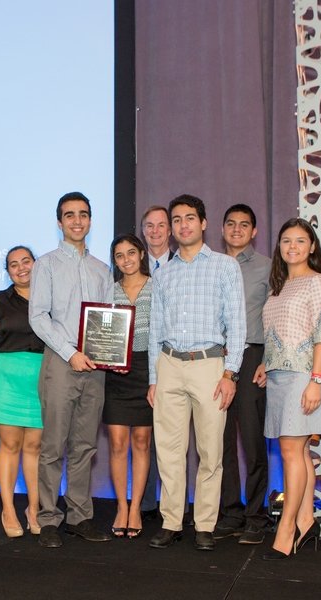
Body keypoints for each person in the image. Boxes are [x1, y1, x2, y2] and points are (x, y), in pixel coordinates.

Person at [147, 194, 246, 552]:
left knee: (211, 452)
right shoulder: (164, 273)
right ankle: (171, 522)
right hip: (169, 365)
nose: (183, 225)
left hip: (210, 366)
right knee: (169, 453)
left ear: (203, 223)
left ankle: (205, 524)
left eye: (190, 218)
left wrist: (230, 373)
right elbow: (155, 331)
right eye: (176, 220)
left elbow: (237, 324)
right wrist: (154, 379)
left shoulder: (223, 266)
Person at [29, 192, 113, 548]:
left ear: (90, 221)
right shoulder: (45, 264)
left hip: (96, 368)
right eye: (69, 215)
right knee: (53, 446)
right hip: (61, 364)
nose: (77, 221)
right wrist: (70, 352)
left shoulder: (102, 269)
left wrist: (108, 353)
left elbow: (108, 319)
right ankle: (48, 519)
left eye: (83, 215)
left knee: (84, 447)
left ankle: (80, 516)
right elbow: (38, 316)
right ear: (59, 222)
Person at [256, 217, 321, 560]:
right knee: (299, 452)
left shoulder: (318, 282)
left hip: (304, 377)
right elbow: (278, 332)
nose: (293, 246)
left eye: (300, 241)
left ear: (312, 246)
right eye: (286, 240)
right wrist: (264, 362)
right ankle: (306, 520)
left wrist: (316, 382)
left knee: (291, 451)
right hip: (277, 377)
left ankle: (286, 527)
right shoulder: (278, 286)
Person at [214, 204, 272, 545]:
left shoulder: (267, 268)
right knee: (218, 442)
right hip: (215, 359)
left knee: (252, 441)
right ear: (222, 230)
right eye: (231, 224)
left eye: (244, 225)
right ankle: (231, 512)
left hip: (251, 357)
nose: (237, 229)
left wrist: (269, 358)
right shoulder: (210, 266)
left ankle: (255, 515)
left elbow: (276, 317)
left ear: (253, 232)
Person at [0, 246, 44, 538]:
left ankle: (34, 509)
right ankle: (8, 509)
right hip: (5, 381)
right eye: (13, 265)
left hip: (42, 382)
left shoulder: (51, 297)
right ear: (7, 271)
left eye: (26, 261)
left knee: (34, 449)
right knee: (10, 447)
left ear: (36, 264)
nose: (21, 268)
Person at [104, 234, 153, 539]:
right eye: (119, 256)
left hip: (149, 370)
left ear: (142, 253)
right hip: (116, 373)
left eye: (131, 253)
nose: (126, 260)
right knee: (118, 443)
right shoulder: (107, 291)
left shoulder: (158, 286)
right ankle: (121, 506)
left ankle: (136, 508)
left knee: (142, 442)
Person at [139, 205, 177, 523]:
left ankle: (175, 504)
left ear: (170, 230)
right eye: (149, 226)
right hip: (139, 362)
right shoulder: (128, 268)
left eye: (161, 225)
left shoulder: (183, 266)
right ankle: (148, 500)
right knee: (144, 434)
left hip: (176, 359)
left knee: (174, 435)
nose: (155, 231)